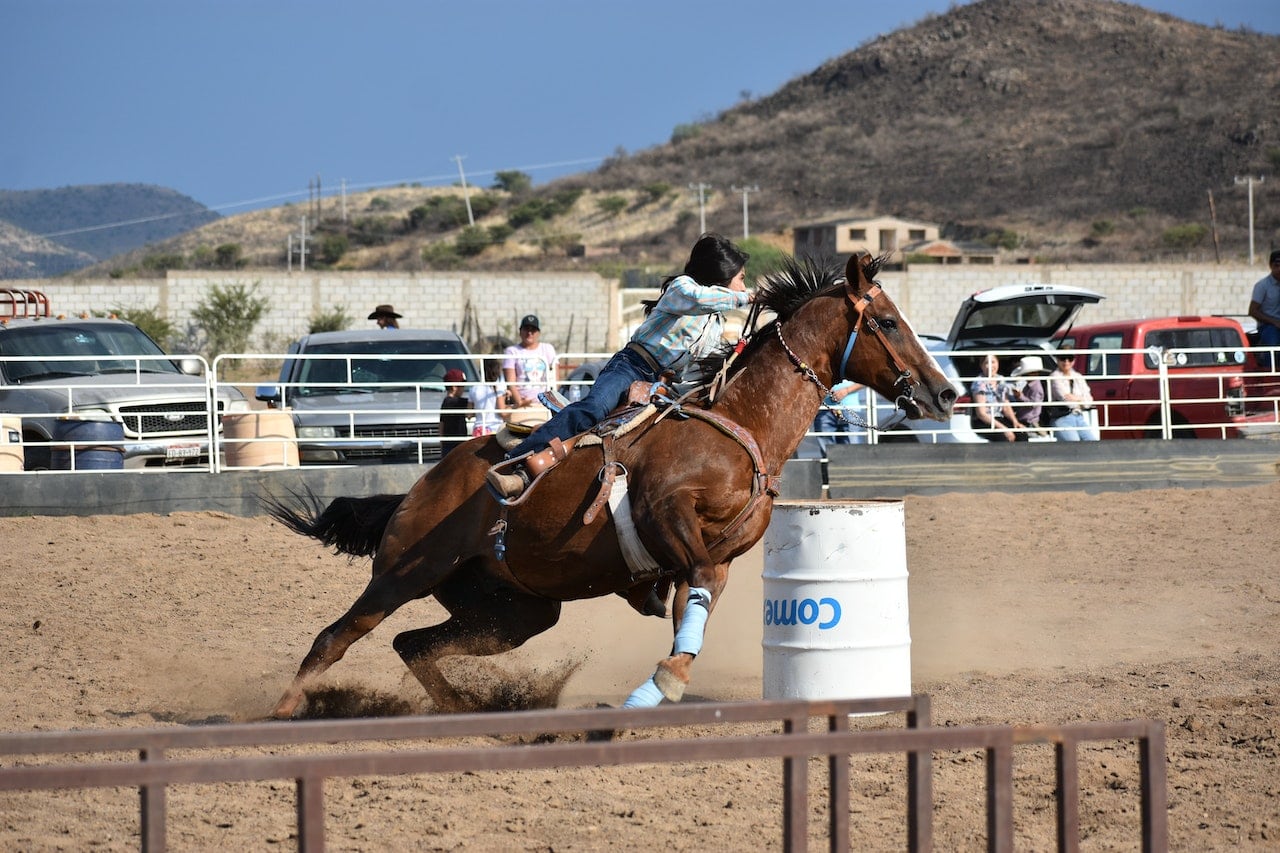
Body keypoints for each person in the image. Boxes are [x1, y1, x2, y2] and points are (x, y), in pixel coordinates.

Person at [486, 233, 753, 499]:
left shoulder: (716, 324)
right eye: (741, 278)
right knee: (594, 409)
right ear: (723, 275)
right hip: (631, 367)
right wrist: (748, 298)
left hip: (661, 384)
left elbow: (697, 368)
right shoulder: (683, 288)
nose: (744, 285)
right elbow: (700, 298)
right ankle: (515, 459)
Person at [502, 314, 558, 426]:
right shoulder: (512, 351)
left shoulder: (547, 349)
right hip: (523, 404)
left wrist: (550, 402)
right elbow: (511, 381)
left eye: (533, 330)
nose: (529, 333)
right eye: (526, 329)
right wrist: (520, 402)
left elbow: (555, 379)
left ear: (538, 333)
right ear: (520, 331)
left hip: (545, 404)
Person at [1045, 350, 1099, 441]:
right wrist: (1081, 400)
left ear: (1073, 360)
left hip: (1078, 416)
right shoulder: (1054, 377)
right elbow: (1066, 401)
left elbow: (1089, 401)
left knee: (1093, 442)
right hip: (1061, 417)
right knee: (1074, 443)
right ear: (1057, 360)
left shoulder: (1078, 376)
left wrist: (1076, 398)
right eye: (1063, 358)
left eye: (1069, 358)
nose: (1066, 362)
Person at [969, 353, 1025, 441]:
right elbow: (981, 414)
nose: (991, 366)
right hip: (986, 421)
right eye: (987, 363)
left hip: (1000, 417)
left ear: (998, 363)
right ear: (981, 366)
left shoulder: (1001, 379)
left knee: (1022, 435)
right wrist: (1003, 429)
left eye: (993, 362)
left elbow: (1006, 406)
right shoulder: (979, 383)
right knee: (1004, 438)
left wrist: (1015, 422)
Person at [811, 380, 868, 455]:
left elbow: (866, 381)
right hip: (824, 410)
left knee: (853, 451)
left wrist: (846, 390)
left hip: (851, 409)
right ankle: (831, 465)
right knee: (826, 450)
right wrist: (824, 388)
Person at [1247, 249, 1280, 372]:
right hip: (1268, 326)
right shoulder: (1262, 286)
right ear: (1271, 266)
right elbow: (1253, 311)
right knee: (1271, 344)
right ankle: (1269, 376)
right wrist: (1274, 322)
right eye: (1277, 265)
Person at [1008, 355, 1050, 435]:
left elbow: (1033, 404)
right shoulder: (1030, 385)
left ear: (1035, 374)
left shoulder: (1036, 388)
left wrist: (1020, 396)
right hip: (1026, 420)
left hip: (1030, 422)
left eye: (1026, 375)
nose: (1025, 377)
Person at [469, 358, 508, 437]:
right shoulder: (498, 388)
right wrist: (516, 406)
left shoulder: (474, 388)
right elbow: (503, 413)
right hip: (494, 428)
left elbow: (469, 414)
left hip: (478, 429)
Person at [439, 368, 470, 456]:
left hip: (448, 444)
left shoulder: (446, 402)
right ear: (454, 386)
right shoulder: (455, 402)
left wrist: (442, 442)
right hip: (455, 445)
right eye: (462, 385)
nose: (463, 388)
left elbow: (441, 424)